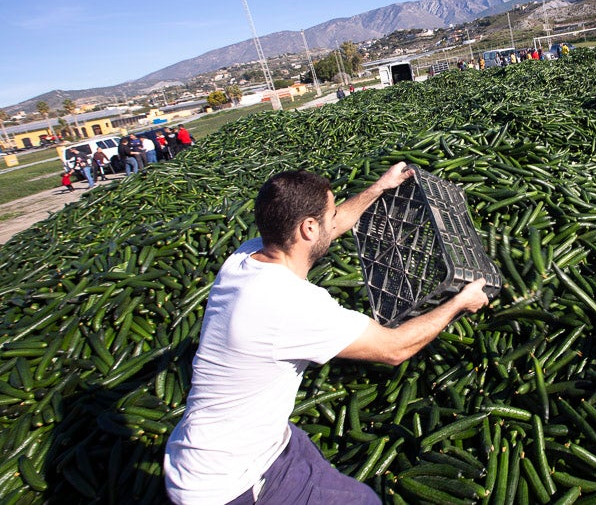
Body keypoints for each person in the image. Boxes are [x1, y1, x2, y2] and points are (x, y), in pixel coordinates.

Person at [163, 163, 490, 504]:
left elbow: (329, 229)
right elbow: (393, 349)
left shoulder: (246, 257)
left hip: (242, 444)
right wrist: (458, 303)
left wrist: (379, 187)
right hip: (230, 485)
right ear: (306, 228)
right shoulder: (290, 304)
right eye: (329, 213)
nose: (334, 220)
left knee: (306, 451)